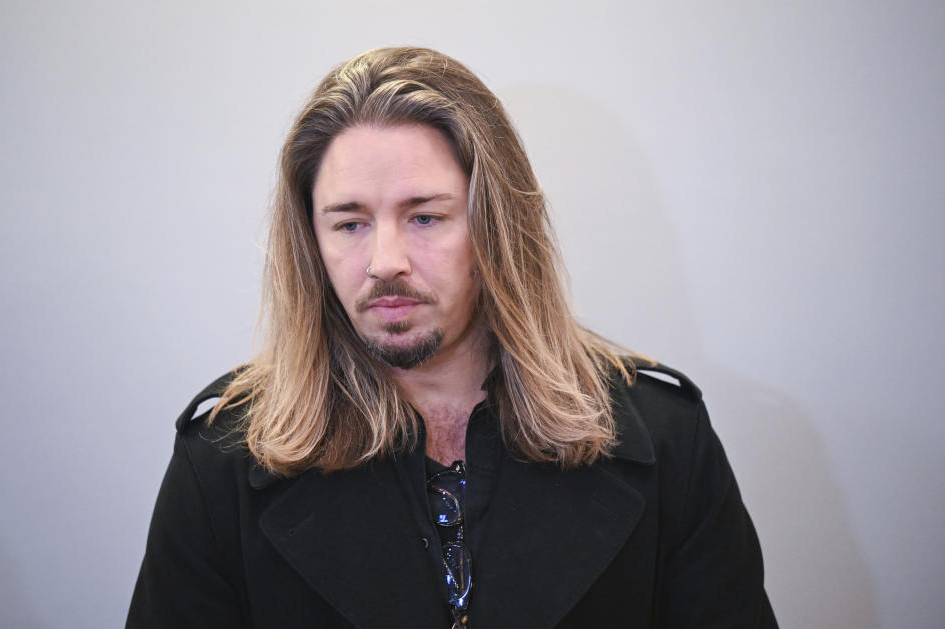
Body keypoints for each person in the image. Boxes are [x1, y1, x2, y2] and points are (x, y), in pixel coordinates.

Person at [127, 47, 777, 629]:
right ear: (312, 240)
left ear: (494, 223)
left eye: (425, 216)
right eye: (350, 223)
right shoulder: (223, 462)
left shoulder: (664, 440)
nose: (385, 260)